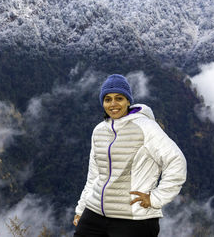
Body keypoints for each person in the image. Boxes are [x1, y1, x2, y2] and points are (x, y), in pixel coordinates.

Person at [73, 74, 187, 237]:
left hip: (133, 218)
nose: (113, 104)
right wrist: (81, 209)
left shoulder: (146, 127)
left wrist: (155, 198)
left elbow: (177, 161)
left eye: (119, 98)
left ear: (128, 101)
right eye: (107, 99)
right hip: (95, 213)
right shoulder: (99, 130)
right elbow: (94, 176)